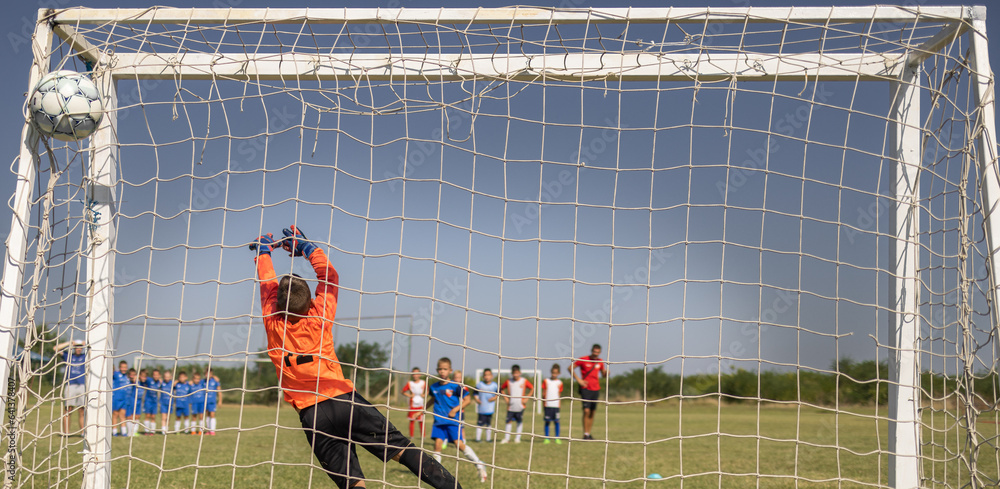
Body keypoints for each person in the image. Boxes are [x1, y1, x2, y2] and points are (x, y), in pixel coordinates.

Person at [252, 225, 463, 489]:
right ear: (310, 305)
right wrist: (306, 247)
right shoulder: (319, 318)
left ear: (277, 306)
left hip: (313, 416)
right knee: (403, 450)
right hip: (345, 401)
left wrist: (263, 251)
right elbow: (329, 275)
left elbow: (267, 285)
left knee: (354, 484)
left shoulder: (272, 323)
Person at [425, 357, 487, 482]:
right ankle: (437, 474)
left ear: (450, 370)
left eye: (445, 369)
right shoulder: (434, 387)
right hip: (438, 422)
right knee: (437, 445)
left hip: (452, 422)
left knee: (460, 445)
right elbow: (433, 399)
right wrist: (423, 409)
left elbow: (468, 400)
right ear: (437, 370)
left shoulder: (455, 386)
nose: (442, 371)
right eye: (440, 369)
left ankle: (479, 464)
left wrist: (455, 409)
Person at [572, 344, 608, 441]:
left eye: (597, 353)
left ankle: (588, 433)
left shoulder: (600, 362)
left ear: (599, 353)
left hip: (596, 389)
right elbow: (570, 368)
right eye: (594, 352)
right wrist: (579, 380)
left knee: (592, 412)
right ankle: (585, 433)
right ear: (591, 351)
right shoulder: (583, 359)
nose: (595, 354)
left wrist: (606, 373)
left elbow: (603, 375)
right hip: (585, 388)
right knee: (586, 410)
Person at [54, 340, 87, 437]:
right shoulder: (68, 356)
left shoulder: (85, 356)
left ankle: (83, 432)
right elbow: (56, 348)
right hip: (70, 385)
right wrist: (69, 343)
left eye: (80, 347)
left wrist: (87, 344)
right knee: (68, 409)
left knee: (82, 410)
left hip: (82, 385)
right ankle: (66, 433)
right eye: (77, 346)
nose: (79, 348)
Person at [499, 365, 533, 444]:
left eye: (517, 373)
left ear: (520, 373)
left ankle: (517, 438)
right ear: (512, 373)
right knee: (508, 421)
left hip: (520, 406)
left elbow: (532, 388)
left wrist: (527, 398)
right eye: (514, 373)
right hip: (511, 406)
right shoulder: (508, 381)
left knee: (519, 422)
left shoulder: (524, 381)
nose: (515, 375)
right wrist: (506, 398)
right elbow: (501, 389)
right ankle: (507, 438)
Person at [473, 369, 498, 443]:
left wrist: (494, 398)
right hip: (482, 408)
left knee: (489, 424)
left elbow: (498, 394)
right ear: (483, 376)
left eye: (488, 375)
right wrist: (477, 400)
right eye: (485, 375)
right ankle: (478, 439)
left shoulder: (494, 385)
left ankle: (488, 439)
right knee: (480, 424)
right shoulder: (479, 384)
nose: (487, 377)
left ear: (492, 376)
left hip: (490, 409)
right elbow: (475, 393)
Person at [541, 364, 563, 444]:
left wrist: (559, 403)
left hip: (556, 405)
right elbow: (543, 393)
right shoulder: (546, 381)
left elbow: (559, 394)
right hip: (548, 405)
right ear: (551, 372)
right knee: (547, 421)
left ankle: (557, 437)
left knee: (557, 421)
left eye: (556, 373)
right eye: (553, 373)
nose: (554, 374)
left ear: (559, 373)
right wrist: (544, 402)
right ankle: (547, 438)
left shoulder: (560, 383)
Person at [401, 367, 426, 439]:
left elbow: (428, 391)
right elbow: (402, 391)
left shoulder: (423, 382)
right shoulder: (410, 383)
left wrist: (424, 395)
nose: (415, 375)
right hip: (413, 404)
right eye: (414, 373)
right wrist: (409, 395)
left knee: (421, 421)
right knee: (412, 420)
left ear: (420, 374)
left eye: (417, 373)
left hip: (421, 404)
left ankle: (423, 436)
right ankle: (412, 436)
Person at [112, 360, 129, 436]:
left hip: (124, 399)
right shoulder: (116, 374)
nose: (124, 369)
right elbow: (111, 372)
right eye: (122, 367)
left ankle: (123, 431)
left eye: (125, 367)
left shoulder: (127, 377)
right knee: (115, 415)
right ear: (119, 368)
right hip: (116, 398)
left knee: (122, 415)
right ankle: (114, 431)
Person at [142, 370, 162, 435]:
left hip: (155, 402)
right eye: (154, 375)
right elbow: (143, 378)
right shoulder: (149, 380)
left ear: (159, 376)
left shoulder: (160, 382)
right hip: (148, 401)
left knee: (153, 416)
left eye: (157, 375)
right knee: (147, 415)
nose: (156, 376)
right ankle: (146, 430)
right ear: (152, 375)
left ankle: (152, 431)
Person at [204, 368, 221, 435]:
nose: (208, 375)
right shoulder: (203, 381)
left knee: (212, 415)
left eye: (210, 373)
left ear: (212, 374)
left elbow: (219, 391)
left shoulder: (215, 381)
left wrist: (220, 401)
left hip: (212, 401)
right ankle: (208, 429)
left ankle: (212, 430)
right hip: (205, 401)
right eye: (206, 373)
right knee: (207, 415)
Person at [125, 368, 140, 437]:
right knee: (129, 417)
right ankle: (129, 432)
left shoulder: (138, 382)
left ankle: (134, 431)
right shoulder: (127, 382)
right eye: (131, 375)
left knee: (137, 416)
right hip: (129, 401)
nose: (132, 376)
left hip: (137, 401)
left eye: (134, 375)